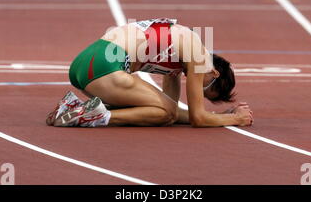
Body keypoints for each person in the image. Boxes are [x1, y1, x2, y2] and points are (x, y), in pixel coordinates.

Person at [46, 18, 253, 128]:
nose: (196, 89)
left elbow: (175, 112)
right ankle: (91, 117)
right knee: (166, 113)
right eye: (203, 89)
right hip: (106, 65)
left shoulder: (178, 56)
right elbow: (197, 118)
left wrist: (217, 116)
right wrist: (236, 119)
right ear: (214, 73)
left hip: (86, 62)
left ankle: (73, 108)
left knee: (162, 111)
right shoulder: (198, 55)